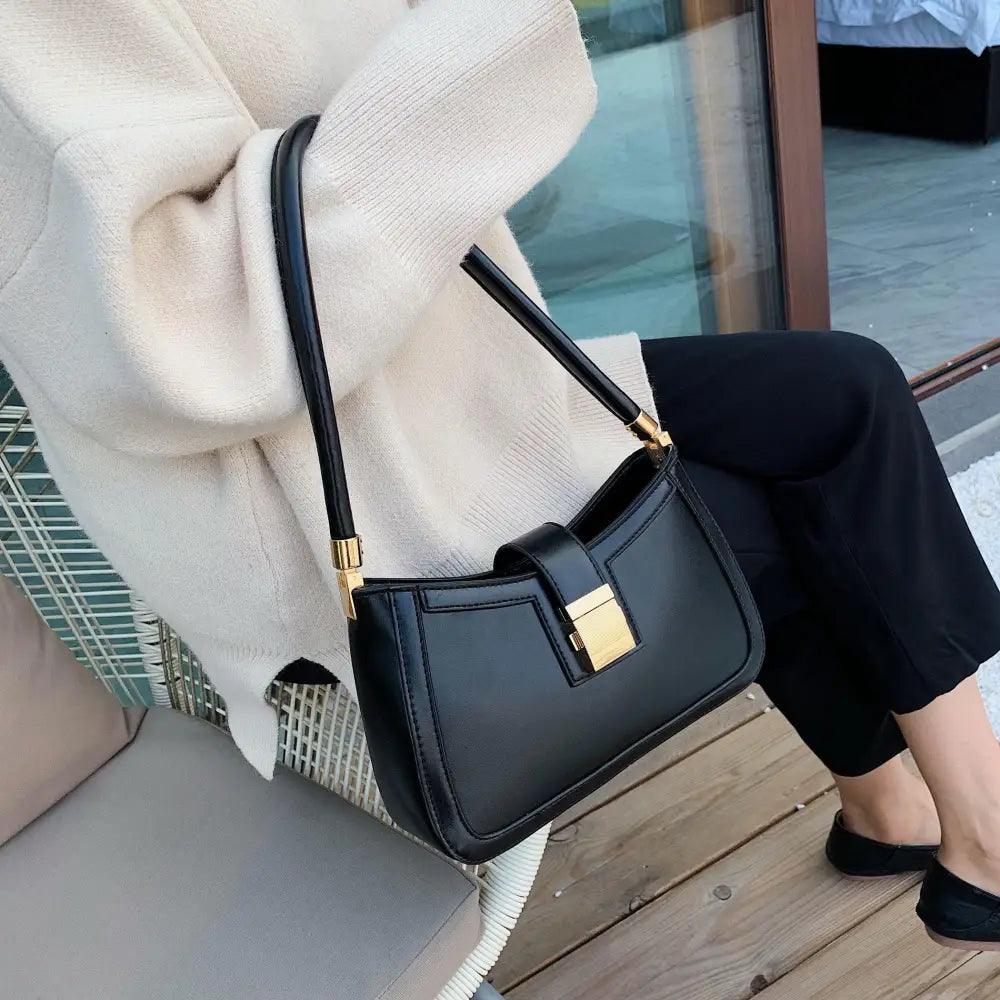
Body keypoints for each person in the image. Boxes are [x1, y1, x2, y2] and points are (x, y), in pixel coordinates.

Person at [1, 0, 999, 951]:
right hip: (311, 483)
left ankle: (906, 811)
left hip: (451, 377)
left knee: (844, 391)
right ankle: (964, 835)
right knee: (764, 515)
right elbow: (181, 331)